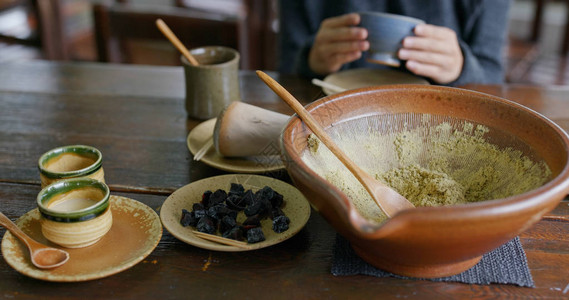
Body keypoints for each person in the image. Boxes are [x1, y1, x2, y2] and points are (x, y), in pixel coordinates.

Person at [278, 0, 511, 86]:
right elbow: (286, 72)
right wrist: (310, 60)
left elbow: (491, 77)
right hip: (333, 117)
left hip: (437, 121)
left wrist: (462, 67)